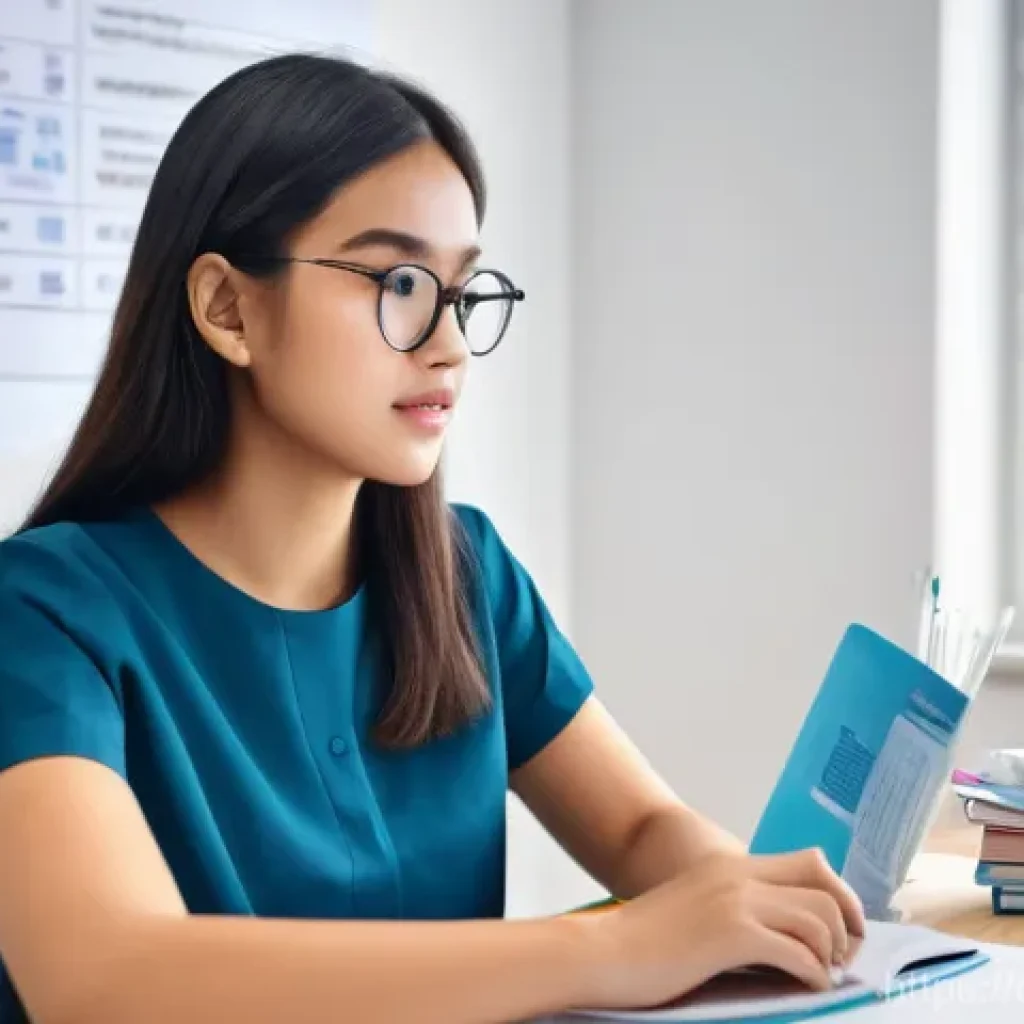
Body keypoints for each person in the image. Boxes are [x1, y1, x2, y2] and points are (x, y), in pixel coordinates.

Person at [0, 53, 864, 1024]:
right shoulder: (41, 612)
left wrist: (753, 907)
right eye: (400, 281)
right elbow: (105, 975)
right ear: (227, 307)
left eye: (462, 291)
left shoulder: (464, 573)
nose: (448, 342)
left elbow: (637, 821)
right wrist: (614, 944)